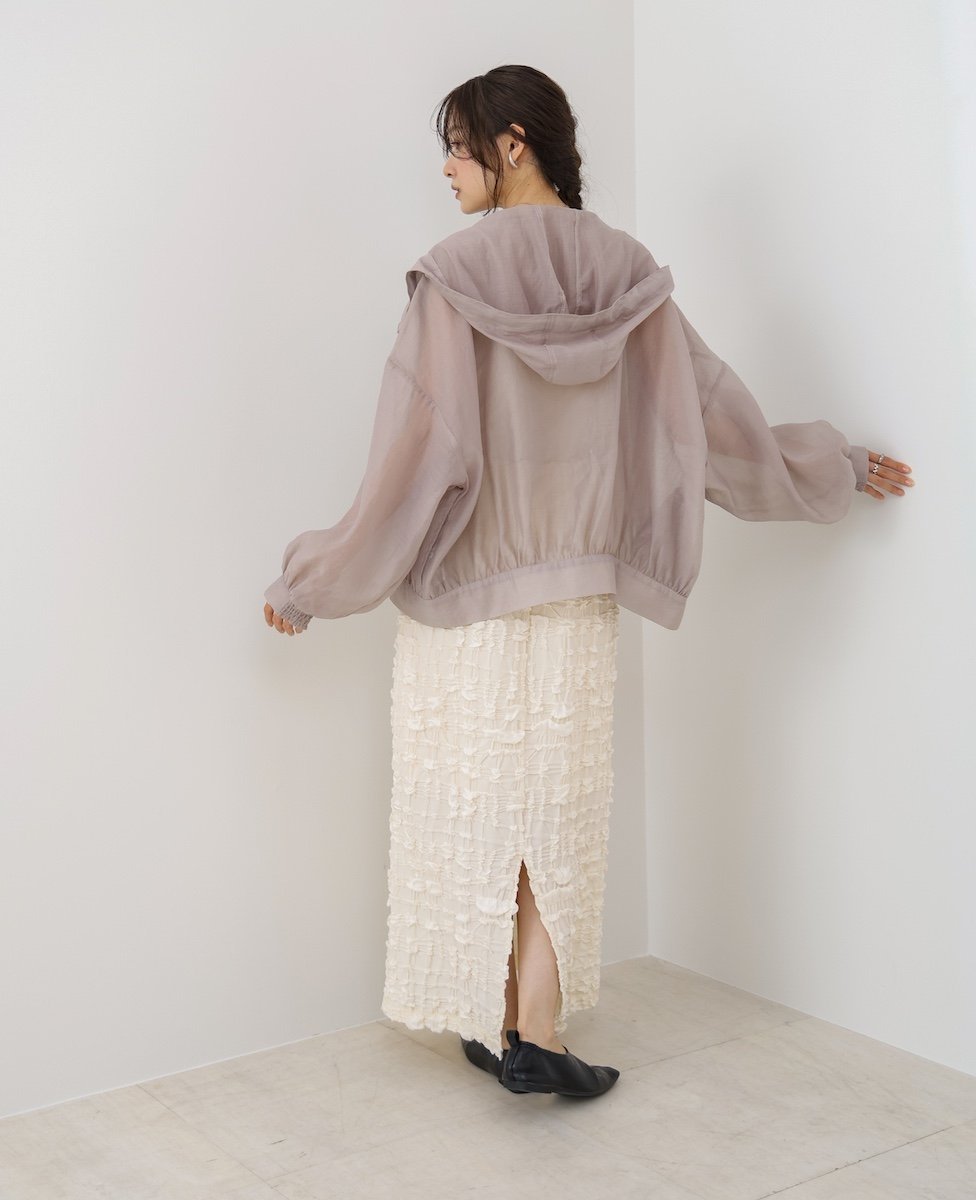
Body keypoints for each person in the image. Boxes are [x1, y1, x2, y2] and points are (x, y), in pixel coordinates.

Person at [262, 65, 916, 1100]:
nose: (446, 168)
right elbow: (713, 425)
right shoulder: (631, 280)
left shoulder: (451, 280)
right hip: (577, 595)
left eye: (458, 146)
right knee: (553, 811)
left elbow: (410, 461)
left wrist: (314, 580)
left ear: (513, 143)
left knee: (487, 811)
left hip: (466, 598)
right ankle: (529, 1028)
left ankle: (517, 1028)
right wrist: (832, 464)